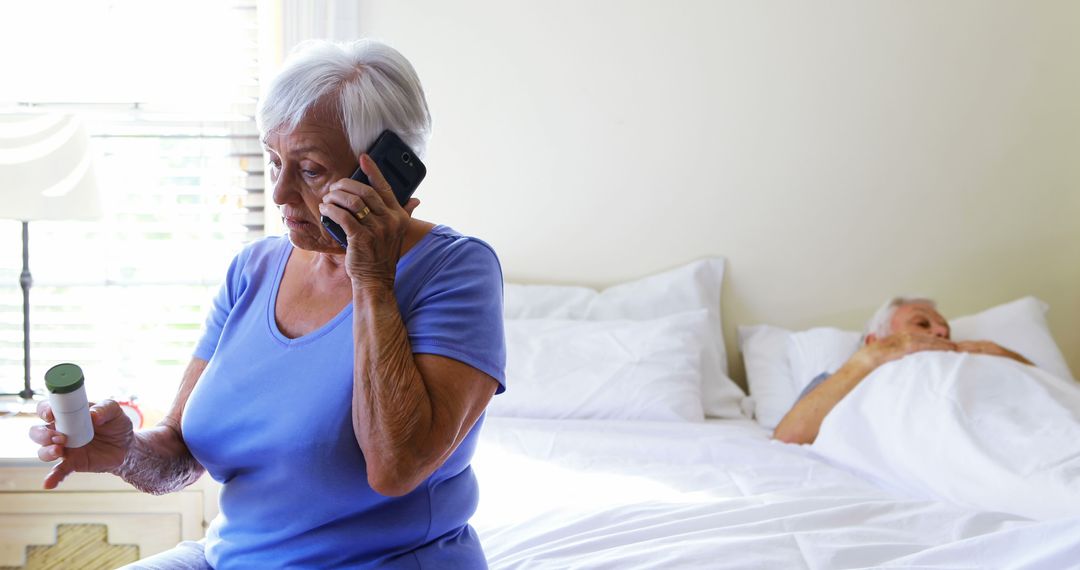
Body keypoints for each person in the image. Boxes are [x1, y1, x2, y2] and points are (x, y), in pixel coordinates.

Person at [28, 39, 506, 569]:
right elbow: (182, 456)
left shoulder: (458, 271)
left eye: (310, 169)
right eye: (274, 160)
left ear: (386, 176)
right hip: (228, 558)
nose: (278, 193)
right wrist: (123, 453)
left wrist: (372, 275)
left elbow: (396, 469)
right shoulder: (252, 270)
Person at [773, 296, 1030, 445]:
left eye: (945, 329)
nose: (941, 332)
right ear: (875, 341)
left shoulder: (977, 359)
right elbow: (788, 436)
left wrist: (1008, 358)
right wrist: (869, 359)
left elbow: (1055, 398)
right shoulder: (838, 380)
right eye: (921, 323)